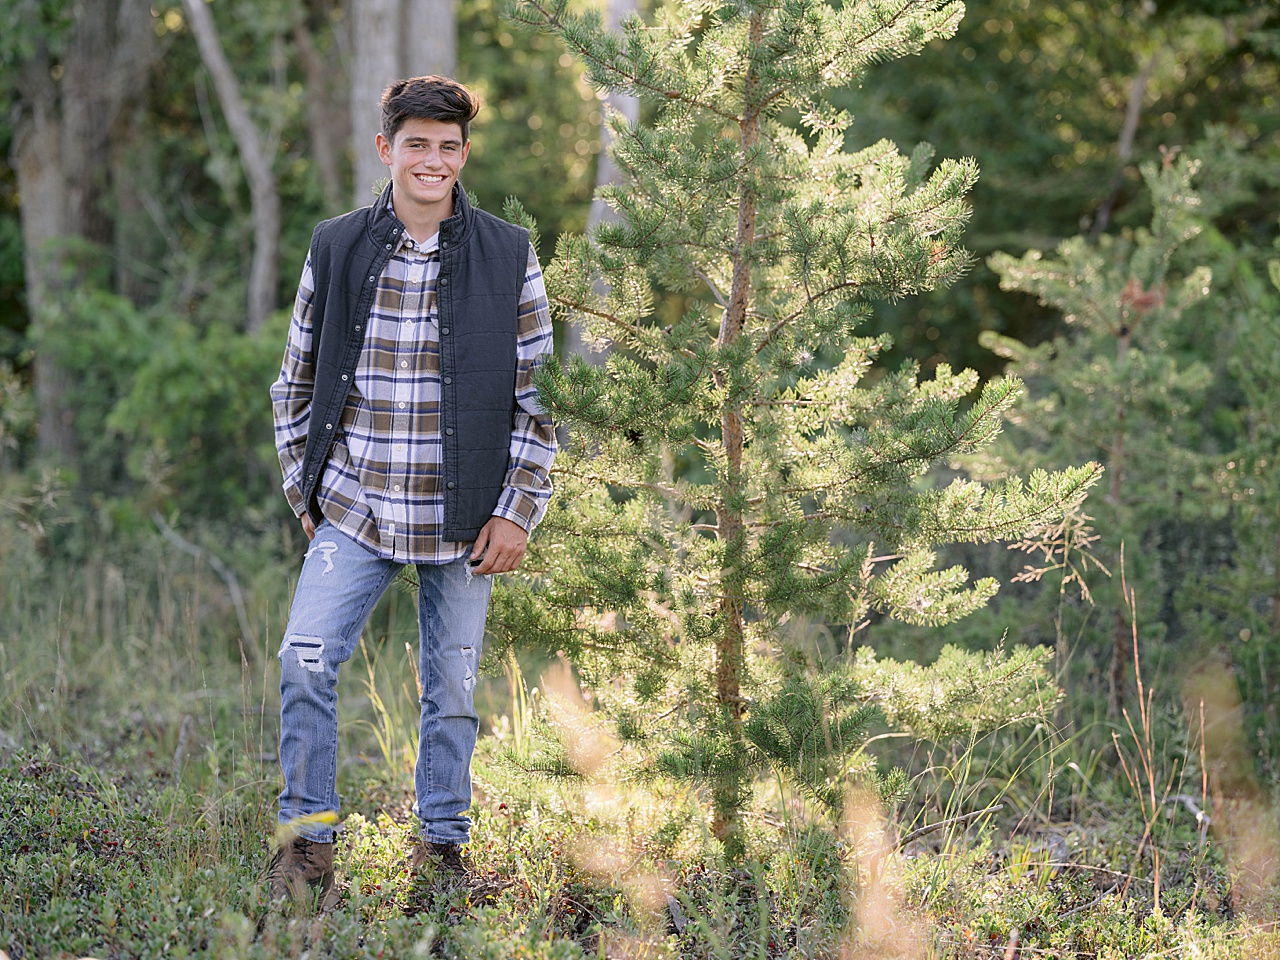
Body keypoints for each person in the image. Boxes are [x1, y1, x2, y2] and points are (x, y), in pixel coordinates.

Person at [265, 75, 554, 909]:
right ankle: (309, 846)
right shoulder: (338, 245)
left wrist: (516, 509)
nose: (433, 159)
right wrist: (306, 495)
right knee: (304, 658)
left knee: (452, 688)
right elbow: (295, 384)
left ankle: (441, 854)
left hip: (466, 518)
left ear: (465, 156)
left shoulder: (509, 253)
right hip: (354, 508)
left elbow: (539, 399)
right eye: (417, 143)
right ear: (387, 148)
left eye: (449, 146)